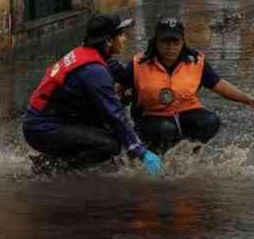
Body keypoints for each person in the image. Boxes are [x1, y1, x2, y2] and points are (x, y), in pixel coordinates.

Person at [23, 13, 162, 175]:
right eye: (121, 35)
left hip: (45, 120)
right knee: (110, 144)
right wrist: (140, 151)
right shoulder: (94, 71)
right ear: (108, 41)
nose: (125, 39)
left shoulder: (85, 53)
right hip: (42, 128)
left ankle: (52, 159)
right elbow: (114, 114)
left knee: (108, 130)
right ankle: (54, 169)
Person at [111, 17, 254, 154]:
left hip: (186, 113)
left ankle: (188, 155)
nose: (170, 47)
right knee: (165, 129)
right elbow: (116, 90)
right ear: (155, 42)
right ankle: (156, 157)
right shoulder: (138, 63)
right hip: (151, 117)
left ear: (182, 42)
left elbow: (219, 85)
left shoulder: (196, 61)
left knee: (209, 121)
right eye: (165, 42)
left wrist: (247, 99)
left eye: (175, 42)